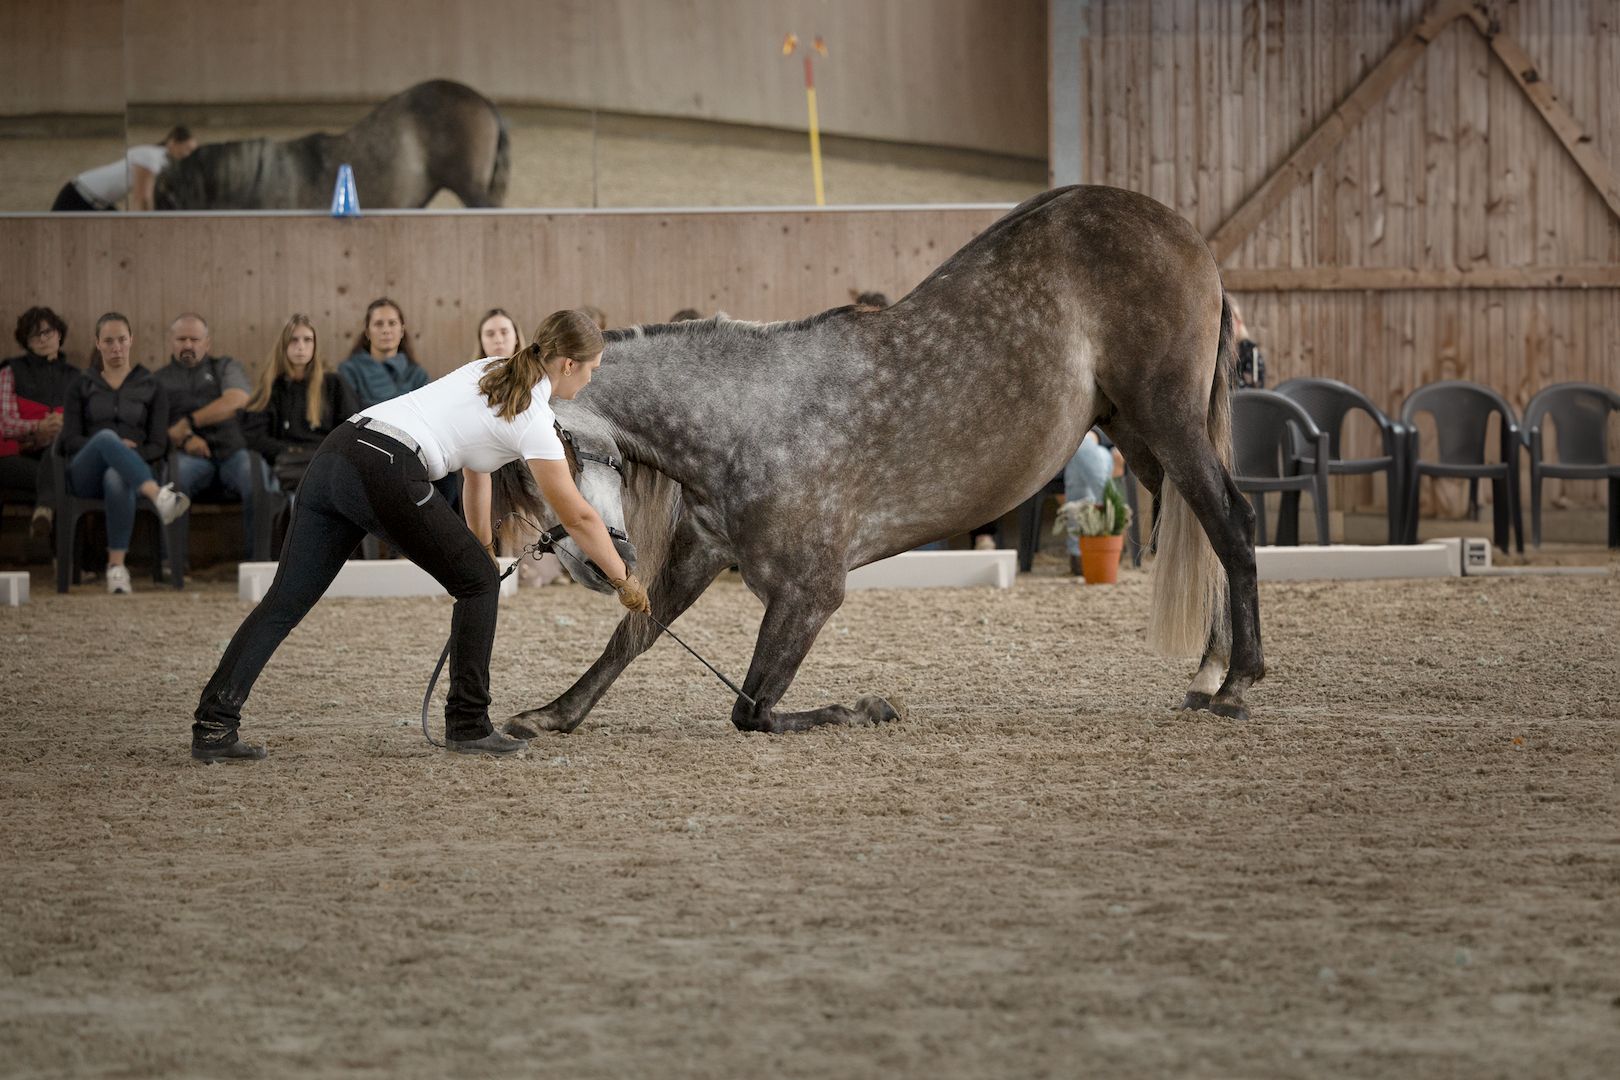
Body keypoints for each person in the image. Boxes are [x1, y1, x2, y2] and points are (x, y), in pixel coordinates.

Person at [190, 310, 651, 762]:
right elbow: (580, 518)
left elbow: (477, 473)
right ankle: (469, 725)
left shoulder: (492, 372)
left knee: (286, 600)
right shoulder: (534, 419)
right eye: (591, 369)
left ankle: (214, 725)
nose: (590, 380)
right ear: (569, 364)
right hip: (387, 467)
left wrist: (483, 548)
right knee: (479, 584)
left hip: (339, 452)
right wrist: (623, 581)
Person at [59, 313, 190, 592]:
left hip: (131, 472)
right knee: (107, 437)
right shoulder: (81, 384)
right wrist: (113, 446)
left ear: (131, 340)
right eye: (108, 341)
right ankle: (159, 495)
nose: (116, 347)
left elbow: (158, 444)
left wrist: (128, 454)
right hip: (84, 473)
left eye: (121, 339)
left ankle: (116, 568)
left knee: (117, 477)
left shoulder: (151, 385)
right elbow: (69, 440)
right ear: (97, 344)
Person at [155, 313, 260, 555]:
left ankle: (257, 561)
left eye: (195, 339)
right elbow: (157, 428)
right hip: (187, 456)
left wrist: (190, 421)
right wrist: (186, 437)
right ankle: (174, 563)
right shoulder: (158, 380)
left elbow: (238, 399)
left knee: (256, 478)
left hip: (232, 453)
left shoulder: (225, 366)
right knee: (172, 479)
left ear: (207, 343)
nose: (188, 345)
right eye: (182, 339)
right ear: (171, 342)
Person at [242, 314, 357, 495]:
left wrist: (326, 453)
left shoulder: (334, 383)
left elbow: (350, 428)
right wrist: (290, 450)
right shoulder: (271, 387)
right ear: (283, 346)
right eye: (293, 340)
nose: (301, 347)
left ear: (315, 345)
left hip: (326, 462)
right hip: (287, 466)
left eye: (307, 340)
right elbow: (255, 437)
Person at [1, 307, 78, 537]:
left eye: (48, 332)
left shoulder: (77, 376)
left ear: (59, 334)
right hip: (16, 457)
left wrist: (61, 426)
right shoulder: (10, 371)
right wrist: (38, 427)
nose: (43, 339)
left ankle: (45, 510)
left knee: (57, 458)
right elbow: (4, 423)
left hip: (56, 453)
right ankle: (66, 564)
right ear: (26, 341)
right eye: (35, 335)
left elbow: (87, 421)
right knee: (61, 476)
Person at [51, 127, 197, 212]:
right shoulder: (151, 156)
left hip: (100, 203)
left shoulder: (163, 163)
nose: (189, 155)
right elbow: (142, 197)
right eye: (187, 149)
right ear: (172, 142)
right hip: (78, 196)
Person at [338, 298, 429, 410]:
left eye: (392, 323)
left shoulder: (417, 375)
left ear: (402, 331)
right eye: (378, 324)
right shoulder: (349, 371)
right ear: (367, 333)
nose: (386, 330)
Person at [1057, 431, 1124, 576]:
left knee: (1082, 447)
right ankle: (1110, 513)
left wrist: (1094, 434)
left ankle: (1078, 553)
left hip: (1103, 452)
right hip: (1064, 453)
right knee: (1080, 447)